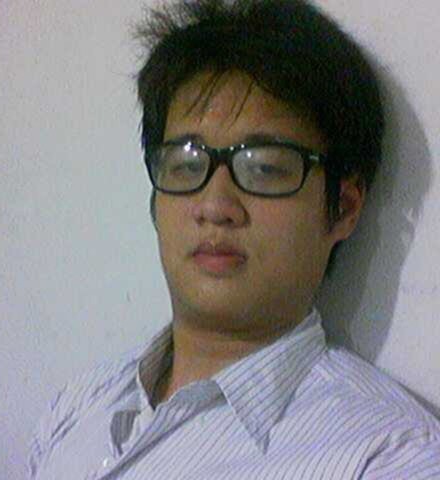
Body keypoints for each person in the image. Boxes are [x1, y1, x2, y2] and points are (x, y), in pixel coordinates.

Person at [29, 0, 440, 478]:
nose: (214, 205)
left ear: (343, 208)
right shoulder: (79, 406)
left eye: (263, 167)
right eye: (187, 163)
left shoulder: (390, 456)